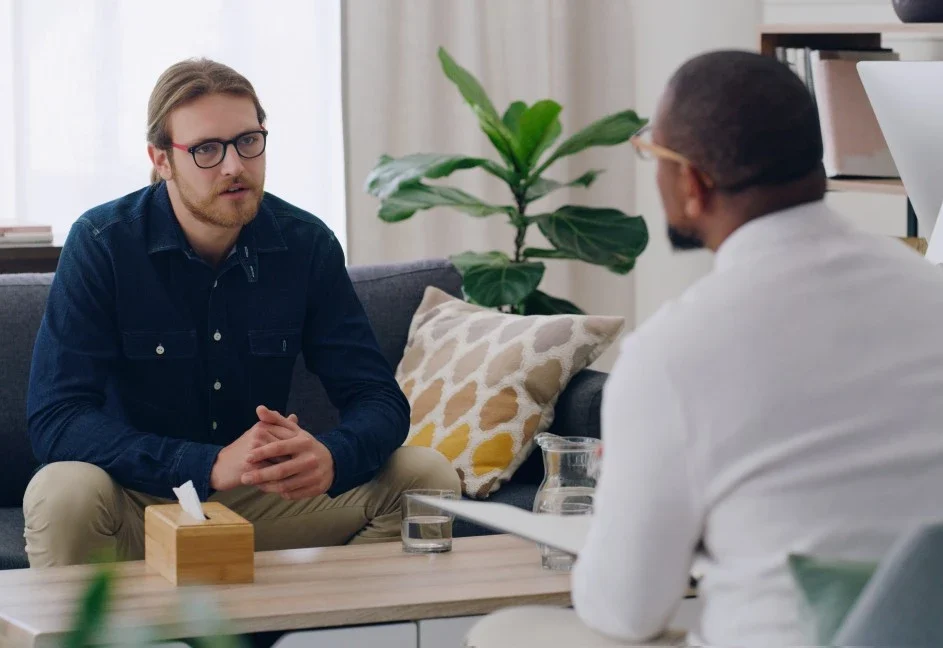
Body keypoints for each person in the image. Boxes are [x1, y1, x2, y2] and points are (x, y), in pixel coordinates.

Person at [466, 50, 943, 646]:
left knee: (509, 633)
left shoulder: (673, 354)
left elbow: (626, 611)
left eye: (652, 154)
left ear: (692, 183)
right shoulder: (932, 292)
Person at [23, 58, 459, 568]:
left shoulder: (306, 244)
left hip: (261, 500)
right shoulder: (103, 244)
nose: (234, 165)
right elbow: (57, 418)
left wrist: (333, 454)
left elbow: (377, 397)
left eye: (248, 141)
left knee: (427, 476)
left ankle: (310, 629)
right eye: (206, 149)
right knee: (62, 490)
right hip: (137, 500)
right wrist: (208, 464)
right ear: (162, 160)